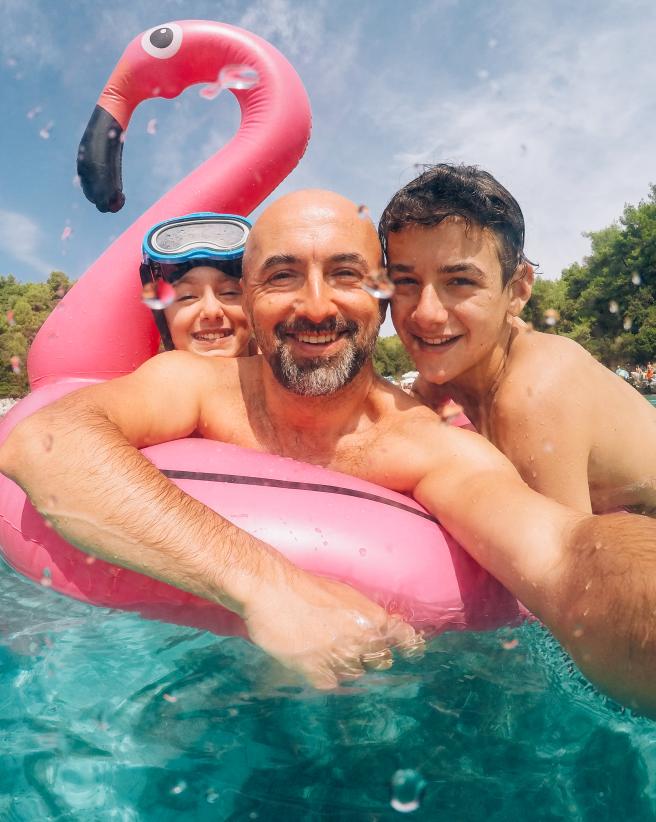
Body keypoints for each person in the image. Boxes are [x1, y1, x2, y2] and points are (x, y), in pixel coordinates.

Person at [2, 190, 656, 713]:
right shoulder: (195, 386)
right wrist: (271, 588)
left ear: (379, 295)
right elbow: (43, 443)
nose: (317, 306)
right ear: (250, 297)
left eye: (345, 275)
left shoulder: (427, 445)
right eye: (283, 276)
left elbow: (565, 554)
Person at [380, 164, 656, 516]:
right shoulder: (449, 371)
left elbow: (567, 559)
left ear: (519, 288)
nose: (426, 313)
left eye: (460, 281)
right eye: (405, 281)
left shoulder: (535, 395)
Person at [140, 212, 257, 357]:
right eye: (187, 297)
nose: (211, 311)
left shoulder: (285, 370)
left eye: (229, 293)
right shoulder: (150, 378)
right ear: (163, 316)